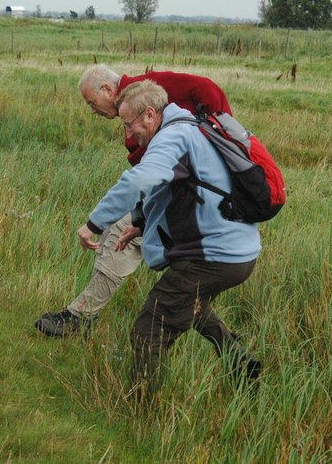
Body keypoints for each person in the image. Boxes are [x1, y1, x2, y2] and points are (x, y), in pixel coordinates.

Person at [76, 80, 261, 398]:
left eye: (129, 125)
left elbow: (140, 179)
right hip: (238, 253)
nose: (129, 134)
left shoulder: (173, 136)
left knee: (151, 327)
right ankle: (240, 361)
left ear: (149, 114)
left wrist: (93, 224)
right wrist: (141, 224)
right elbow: (178, 190)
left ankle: (141, 410)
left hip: (215, 255)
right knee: (192, 306)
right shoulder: (189, 129)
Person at [35, 64, 233, 337]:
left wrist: (215, 131)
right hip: (179, 195)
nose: (92, 111)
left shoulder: (142, 89)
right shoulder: (133, 107)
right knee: (185, 290)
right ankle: (233, 351)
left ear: (107, 89)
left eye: (92, 103)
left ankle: (80, 316)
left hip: (190, 198)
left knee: (120, 234)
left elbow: (206, 88)